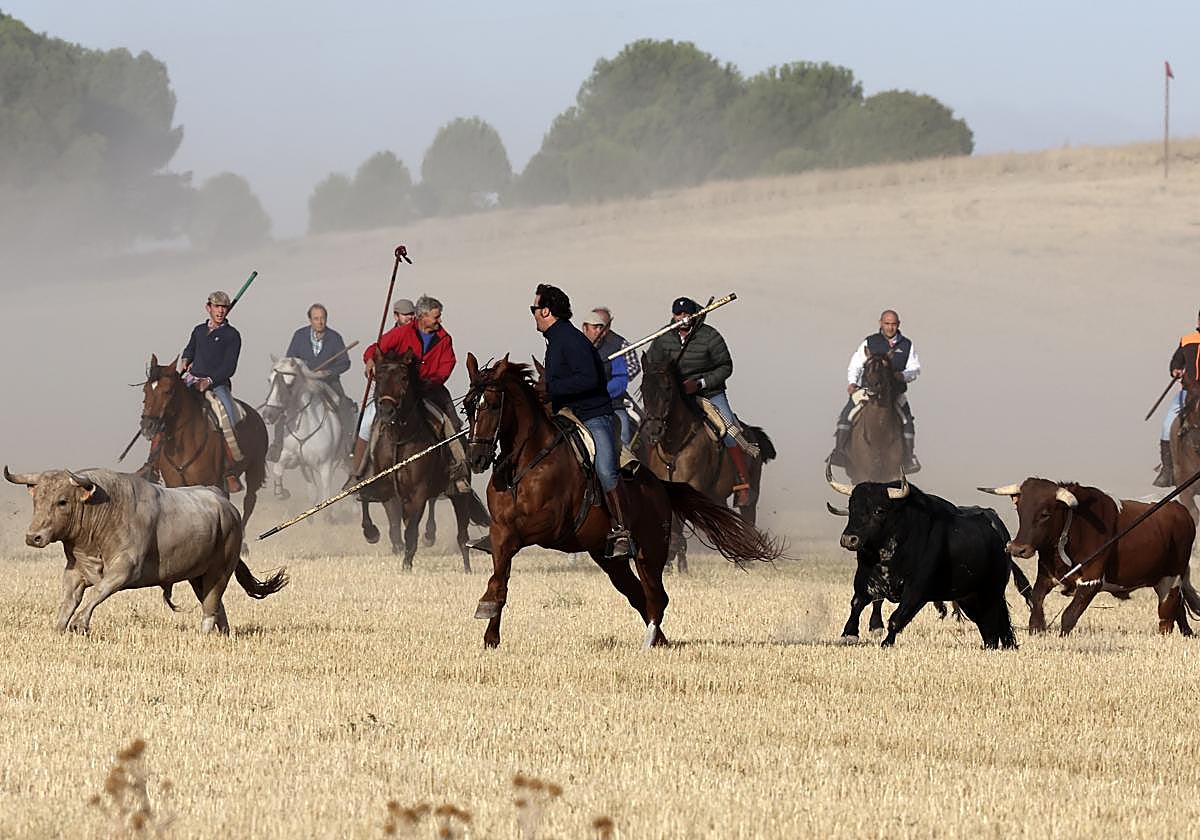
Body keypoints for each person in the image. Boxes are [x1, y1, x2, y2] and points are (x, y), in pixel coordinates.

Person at [533, 283, 633, 560]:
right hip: (565, 414)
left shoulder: (571, 340)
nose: (533, 314)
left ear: (546, 311)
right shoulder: (556, 339)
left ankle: (622, 531)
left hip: (593, 415)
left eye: (534, 308)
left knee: (605, 468)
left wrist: (552, 389)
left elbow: (589, 380)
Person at [350, 295, 470, 494]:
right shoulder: (403, 332)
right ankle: (360, 474)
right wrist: (370, 360)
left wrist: (431, 381)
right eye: (436, 317)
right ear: (422, 317)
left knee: (452, 424)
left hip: (431, 389)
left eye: (439, 317)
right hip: (400, 390)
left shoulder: (444, 338)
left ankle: (458, 473)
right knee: (369, 420)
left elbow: (447, 365)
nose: (439, 321)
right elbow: (376, 348)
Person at [644, 296, 753, 505]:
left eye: (686, 314)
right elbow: (652, 366)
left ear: (693, 314)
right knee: (649, 429)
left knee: (729, 429)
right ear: (673, 315)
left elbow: (725, 367)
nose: (683, 318)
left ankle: (742, 482)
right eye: (678, 314)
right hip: (671, 396)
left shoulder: (709, 336)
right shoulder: (663, 337)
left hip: (708, 394)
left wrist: (701, 383)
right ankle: (649, 481)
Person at [269, 303, 356, 498]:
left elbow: (345, 363)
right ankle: (277, 445)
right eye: (316, 318)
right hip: (303, 382)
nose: (320, 322)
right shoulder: (299, 335)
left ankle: (348, 448)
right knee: (284, 406)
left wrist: (329, 371)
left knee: (344, 406)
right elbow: (291, 359)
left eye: (323, 318)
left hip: (329, 382)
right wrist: (302, 372)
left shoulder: (335, 337)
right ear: (310, 320)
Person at [828, 309, 922, 473]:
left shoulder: (906, 345)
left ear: (898, 325)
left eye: (893, 324)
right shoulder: (870, 342)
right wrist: (852, 382)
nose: (890, 328)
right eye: (887, 324)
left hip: (894, 393)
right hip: (867, 390)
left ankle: (908, 458)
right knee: (847, 414)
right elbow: (856, 364)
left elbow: (915, 368)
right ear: (880, 323)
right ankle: (839, 452)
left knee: (907, 421)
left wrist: (904, 375)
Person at [182, 291, 244, 494]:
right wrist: (185, 360)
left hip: (218, 384)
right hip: (192, 379)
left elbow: (229, 367)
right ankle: (153, 464)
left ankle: (229, 470)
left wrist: (209, 381)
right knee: (166, 407)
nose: (220, 311)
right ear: (208, 307)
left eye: (224, 307)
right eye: (217, 307)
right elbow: (190, 349)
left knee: (230, 419)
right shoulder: (199, 330)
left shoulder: (232, 335)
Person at [1155, 310, 1200, 487]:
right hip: (1188, 391)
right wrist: (1175, 369)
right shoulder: (1187, 340)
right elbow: (1177, 360)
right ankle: (1168, 471)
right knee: (1167, 425)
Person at [581, 308, 634, 446]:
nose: (598, 331)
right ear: (585, 328)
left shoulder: (615, 349)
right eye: (594, 327)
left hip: (612, 405)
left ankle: (624, 464)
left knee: (624, 431)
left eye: (601, 327)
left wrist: (601, 393)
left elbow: (621, 380)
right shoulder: (575, 348)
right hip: (580, 406)